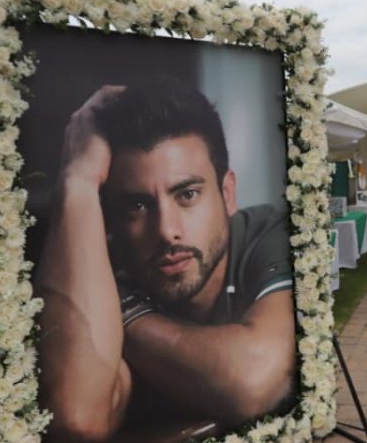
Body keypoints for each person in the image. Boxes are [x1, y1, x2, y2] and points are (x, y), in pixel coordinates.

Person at [35, 76, 295, 441]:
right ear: (109, 218)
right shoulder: (99, 272)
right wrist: (77, 179)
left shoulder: (271, 232)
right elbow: (77, 416)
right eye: (137, 206)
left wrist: (123, 316)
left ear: (227, 193)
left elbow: (253, 380)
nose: (166, 231)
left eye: (187, 194)